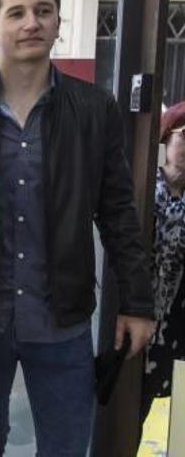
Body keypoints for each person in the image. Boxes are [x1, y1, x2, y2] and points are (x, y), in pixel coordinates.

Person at [0, 0, 156, 456]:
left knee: (66, 445)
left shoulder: (94, 109)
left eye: (43, 11)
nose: (31, 22)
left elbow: (117, 211)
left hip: (62, 317)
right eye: (16, 13)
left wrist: (137, 304)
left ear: (57, 23)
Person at [143, 102, 185, 420]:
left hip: (171, 323)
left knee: (145, 406)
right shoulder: (142, 189)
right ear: (167, 139)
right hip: (131, 314)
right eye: (184, 137)